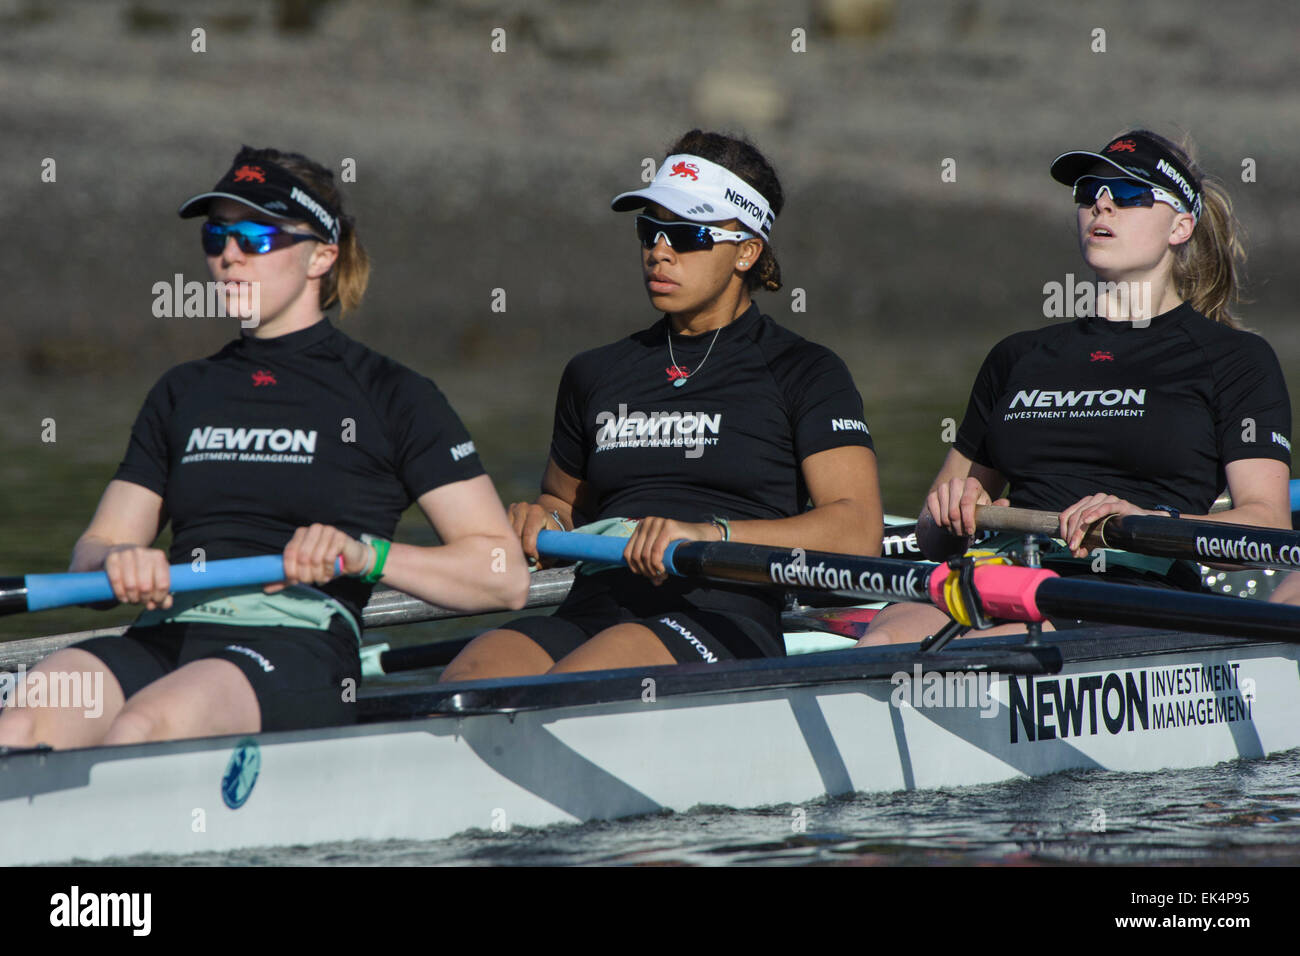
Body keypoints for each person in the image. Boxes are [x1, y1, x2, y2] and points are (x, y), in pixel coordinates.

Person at [0, 146, 529, 748]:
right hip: (168, 629)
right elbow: (93, 551)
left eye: (255, 235)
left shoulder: (394, 395)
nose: (228, 254)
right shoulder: (182, 391)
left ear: (321, 256)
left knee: (144, 726)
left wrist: (368, 557)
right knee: (22, 719)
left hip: (296, 639)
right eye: (216, 234)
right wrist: (117, 560)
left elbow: (503, 576)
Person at [441, 130, 882, 680]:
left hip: (719, 614)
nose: (658, 251)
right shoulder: (594, 372)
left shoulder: (804, 371)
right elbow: (563, 502)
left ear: (747, 251)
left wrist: (708, 534)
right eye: (648, 230)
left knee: (567, 687)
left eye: (686, 234)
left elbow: (858, 529)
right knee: (468, 681)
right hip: (591, 609)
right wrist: (538, 518)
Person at [861, 129, 1292, 645]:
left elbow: (1267, 527)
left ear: (1181, 225)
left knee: (968, 652)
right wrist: (950, 507)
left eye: (1130, 194)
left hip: (1138, 587)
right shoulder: (1018, 357)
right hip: (1005, 575)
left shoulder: (1234, 359)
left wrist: (1150, 520)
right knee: (884, 641)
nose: (1102, 205)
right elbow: (932, 534)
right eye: (1089, 192)